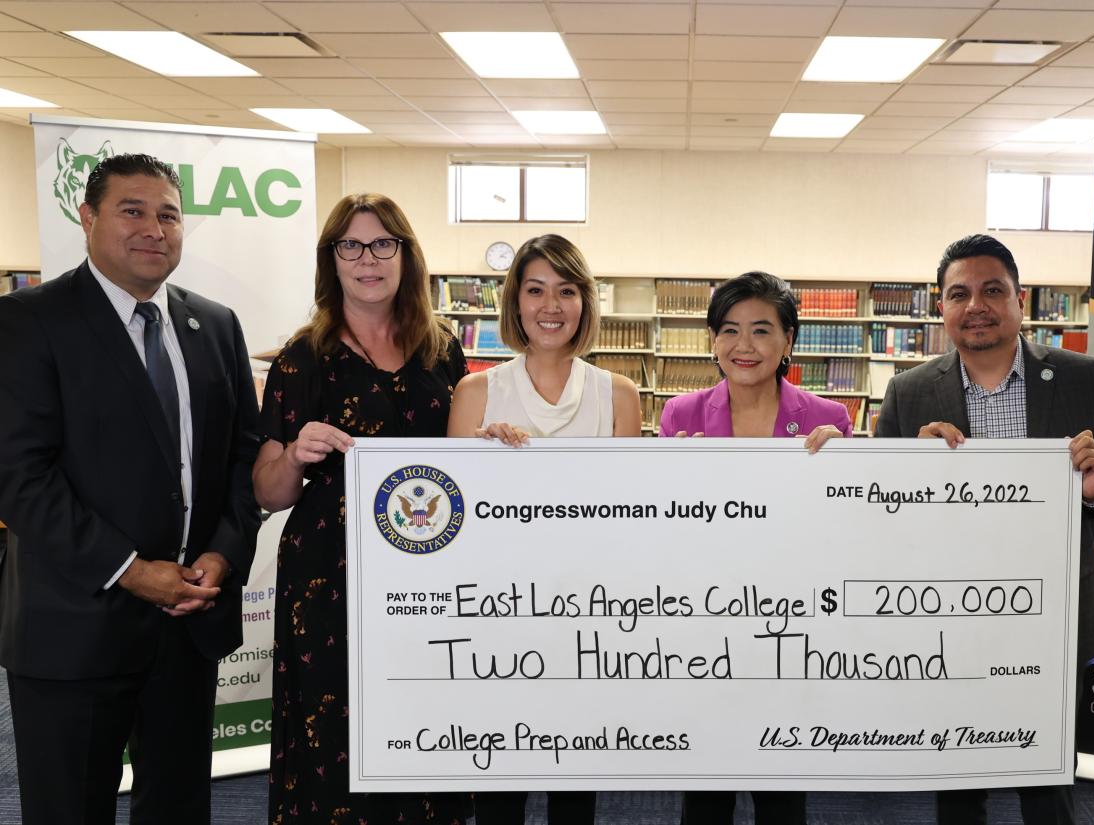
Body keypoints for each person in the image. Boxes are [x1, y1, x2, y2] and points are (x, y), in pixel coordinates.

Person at [0, 153, 261, 825]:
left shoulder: (216, 324)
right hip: (75, 628)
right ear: (87, 218)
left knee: (177, 806)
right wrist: (131, 570)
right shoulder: (27, 322)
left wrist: (224, 553)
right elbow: (21, 478)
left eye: (168, 215)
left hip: (188, 626)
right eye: (132, 211)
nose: (154, 228)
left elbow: (242, 459)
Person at [253, 193, 469, 825]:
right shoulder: (303, 357)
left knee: (428, 717)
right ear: (332, 260)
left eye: (382, 244)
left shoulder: (443, 351)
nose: (367, 259)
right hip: (329, 577)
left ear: (406, 255)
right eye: (350, 245)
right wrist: (294, 455)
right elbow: (267, 491)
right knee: (333, 731)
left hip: (430, 574)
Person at [876, 233, 1094, 825]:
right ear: (941, 307)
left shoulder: (1089, 380)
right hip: (949, 612)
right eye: (959, 293)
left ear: (1020, 300)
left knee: (1048, 777)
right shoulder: (909, 392)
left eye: (992, 290)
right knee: (956, 774)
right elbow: (875, 519)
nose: (976, 304)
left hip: (1055, 611)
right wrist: (907, 480)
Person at [448, 233, 642, 824]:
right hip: (497, 618)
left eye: (566, 290)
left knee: (575, 790)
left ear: (585, 302)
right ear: (515, 301)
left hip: (589, 615)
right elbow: (455, 529)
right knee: (499, 790)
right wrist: (481, 466)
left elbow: (629, 516)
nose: (550, 305)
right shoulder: (476, 392)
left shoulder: (620, 394)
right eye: (535, 290)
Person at [659, 270, 849, 824]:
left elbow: (844, 533)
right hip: (702, 625)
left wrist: (847, 472)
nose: (744, 346)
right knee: (706, 794)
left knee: (782, 796)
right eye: (729, 330)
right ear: (713, 340)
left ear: (789, 339)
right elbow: (661, 533)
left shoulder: (827, 420)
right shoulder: (681, 416)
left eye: (762, 330)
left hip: (788, 630)